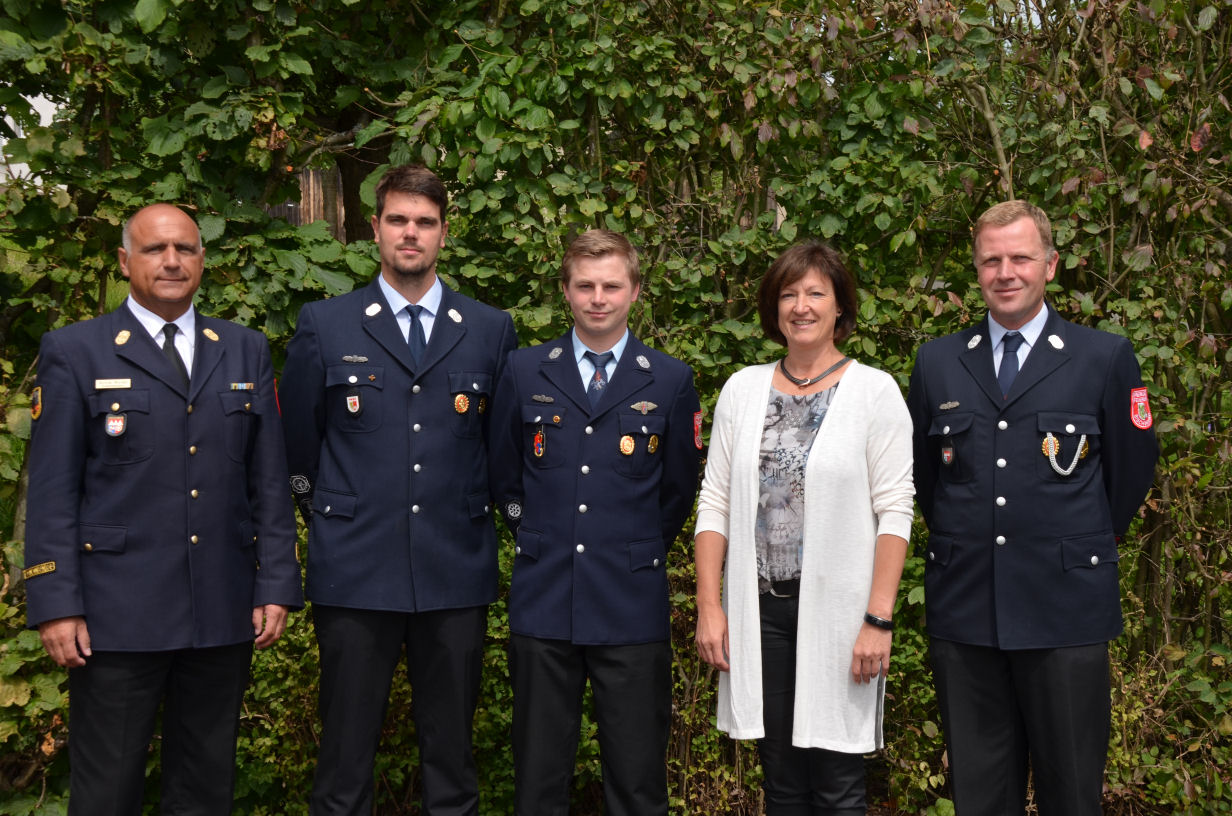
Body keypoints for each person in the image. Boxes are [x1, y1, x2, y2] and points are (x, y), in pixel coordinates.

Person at [22, 203, 303, 815]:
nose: (172, 261)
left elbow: (269, 482)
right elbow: (51, 491)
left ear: (204, 260)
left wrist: (275, 583)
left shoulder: (243, 349)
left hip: (219, 608)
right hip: (114, 615)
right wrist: (55, 602)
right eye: (154, 249)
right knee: (107, 790)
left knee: (205, 788)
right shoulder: (77, 352)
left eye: (186, 249)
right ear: (125, 261)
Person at [278, 164, 517, 816]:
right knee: (343, 767)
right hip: (356, 573)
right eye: (398, 220)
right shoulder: (326, 325)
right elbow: (299, 447)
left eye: (425, 222)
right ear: (376, 230)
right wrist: (333, 518)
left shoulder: (490, 330)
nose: (411, 233)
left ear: (444, 233)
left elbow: (501, 455)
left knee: (453, 766)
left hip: (454, 572)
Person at [907, 200, 1159, 815]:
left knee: (1071, 790)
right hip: (967, 609)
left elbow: (1127, 477)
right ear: (977, 269)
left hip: (1065, 608)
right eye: (991, 259)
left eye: (1020, 257)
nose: (1005, 272)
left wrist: (1072, 546)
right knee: (978, 794)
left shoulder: (1102, 357)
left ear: (1050, 264)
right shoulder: (938, 361)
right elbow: (926, 479)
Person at [694, 241, 914, 815]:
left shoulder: (874, 392)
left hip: (842, 618)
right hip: (760, 615)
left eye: (816, 292)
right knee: (783, 782)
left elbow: (895, 510)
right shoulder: (742, 391)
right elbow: (714, 502)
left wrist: (878, 618)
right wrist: (710, 606)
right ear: (773, 307)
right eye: (789, 294)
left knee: (839, 782)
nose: (801, 306)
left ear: (840, 305)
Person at [488, 229, 702, 816]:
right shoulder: (525, 370)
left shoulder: (669, 379)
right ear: (566, 291)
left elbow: (678, 490)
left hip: (630, 604)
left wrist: (631, 548)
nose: (598, 298)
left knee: (636, 783)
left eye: (612, 285)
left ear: (635, 291)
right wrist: (532, 534)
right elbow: (505, 476)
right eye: (585, 285)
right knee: (538, 780)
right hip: (545, 599)